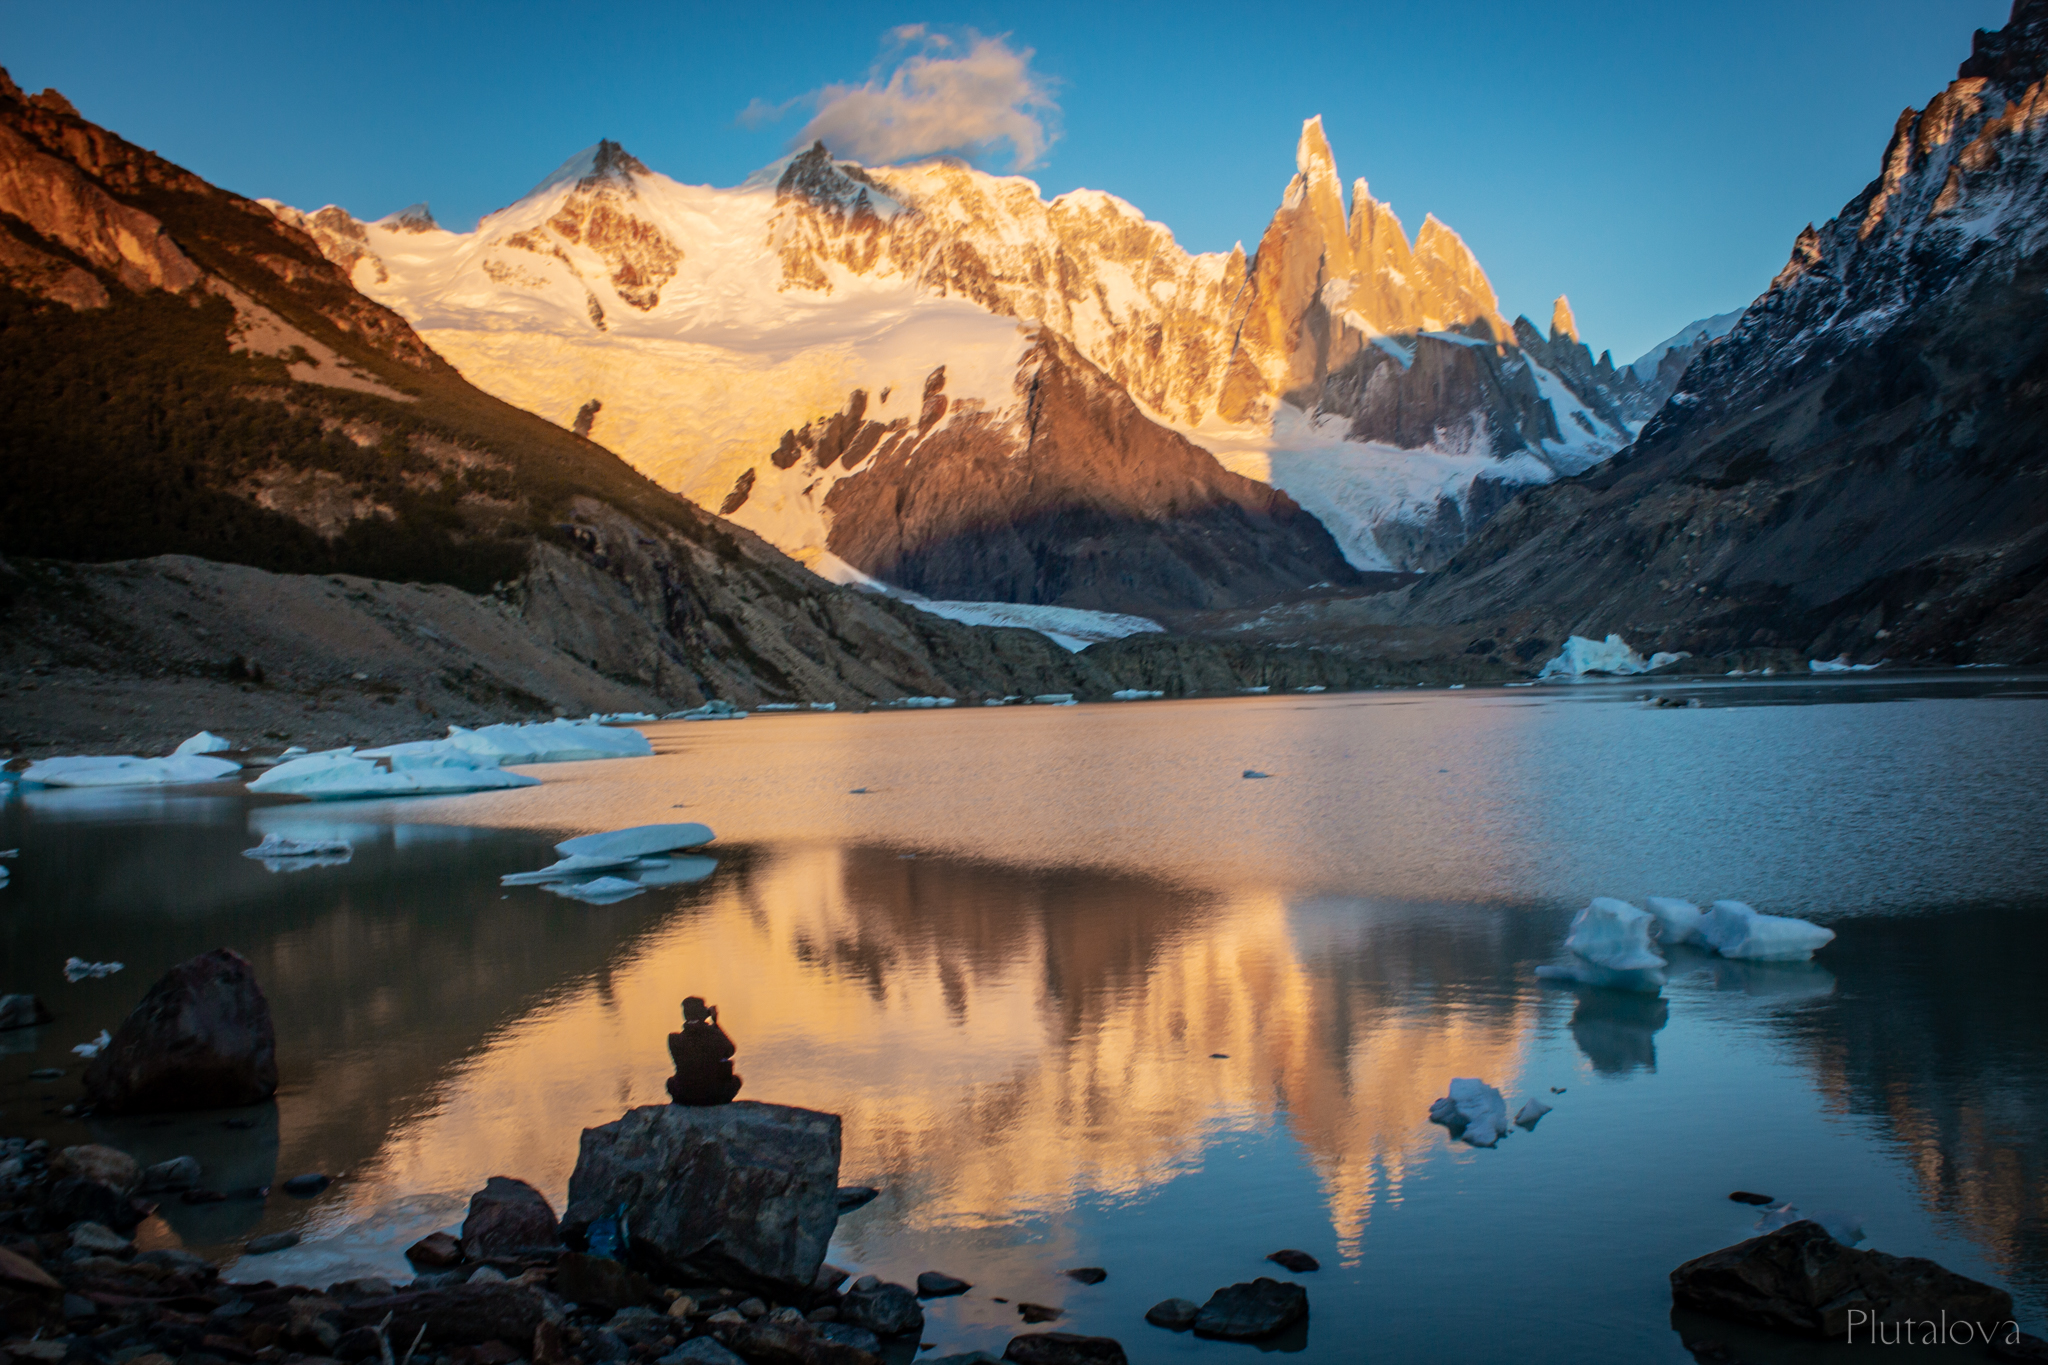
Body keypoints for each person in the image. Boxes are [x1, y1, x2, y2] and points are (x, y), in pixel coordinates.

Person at [666, 996, 741, 1104]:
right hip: (715, 1096)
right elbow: (730, 1050)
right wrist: (715, 1024)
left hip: (685, 1096)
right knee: (736, 1080)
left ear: (685, 1015)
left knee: (670, 1082)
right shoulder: (713, 1035)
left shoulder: (674, 1039)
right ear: (703, 1013)